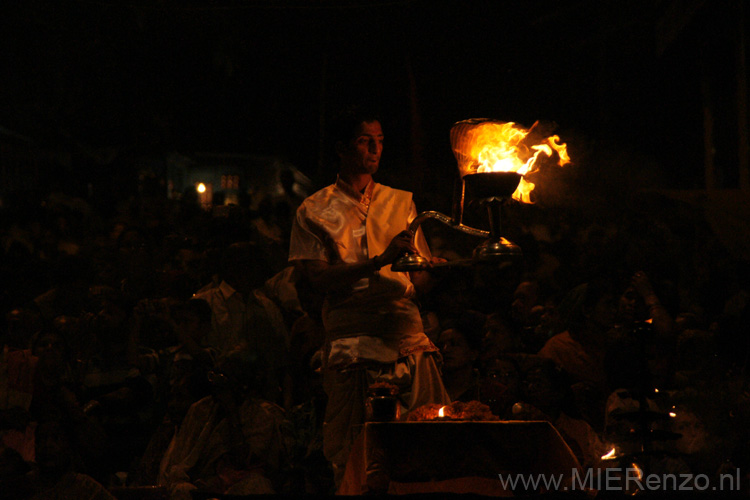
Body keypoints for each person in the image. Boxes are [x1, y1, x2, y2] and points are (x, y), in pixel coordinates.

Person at [288, 106, 450, 484]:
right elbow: (318, 280)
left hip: (407, 338)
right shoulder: (314, 210)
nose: (375, 148)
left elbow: (417, 280)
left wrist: (433, 270)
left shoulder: (400, 201)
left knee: (426, 446)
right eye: (365, 140)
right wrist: (379, 260)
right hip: (353, 347)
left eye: (379, 140)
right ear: (342, 148)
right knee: (358, 457)